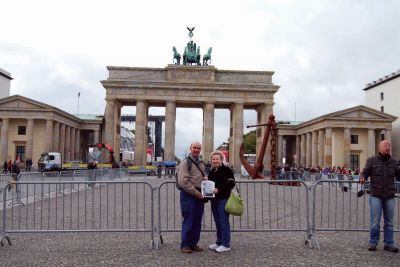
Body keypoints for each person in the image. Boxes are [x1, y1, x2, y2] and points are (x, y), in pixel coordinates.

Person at [360, 140, 400, 253]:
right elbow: (365, 172)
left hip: (389, 195)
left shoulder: (394, 162)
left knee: (389, 222)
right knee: (375, 221)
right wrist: (362, 177)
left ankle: (389, 243)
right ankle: (373, 243)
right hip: (376, 195)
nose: (388, 147)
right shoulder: (371, 160)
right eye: (385, 146)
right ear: (380, 147)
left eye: (389, 146)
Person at [177, 141, 206, 253]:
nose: (196, 150)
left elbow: (201, 177)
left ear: (200, 150)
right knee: (188, 220)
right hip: (189, 195)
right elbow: (183, 182)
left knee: (197, 221)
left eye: (198, 148)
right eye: (194, 148)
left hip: (199, 194)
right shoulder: (185, 163)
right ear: (190, 148)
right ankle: (185, 244)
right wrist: (196, 193)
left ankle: (194, 243)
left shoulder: (202, 163)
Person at [207, 150, 235, 253]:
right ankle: (219, 241)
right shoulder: (211, 171)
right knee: (218, 221)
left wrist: (219, 189)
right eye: (213, 159)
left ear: (221, 159)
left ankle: (225, 244)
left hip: (223, 198)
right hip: (214, 200)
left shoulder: (227, 170)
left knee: (223, 221)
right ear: (211, 160)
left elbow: (231, 183)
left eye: (217, 159)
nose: (215, 161)